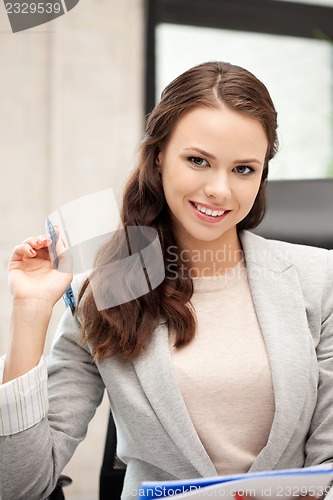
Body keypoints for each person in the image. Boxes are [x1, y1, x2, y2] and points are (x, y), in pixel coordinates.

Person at [0, 61, 332, 500]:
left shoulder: (319, 281)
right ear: (159, 156)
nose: (220, 189)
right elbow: (20, 486)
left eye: (243, 169)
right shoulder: (104, 293)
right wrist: (30, 312)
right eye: (198, 160)